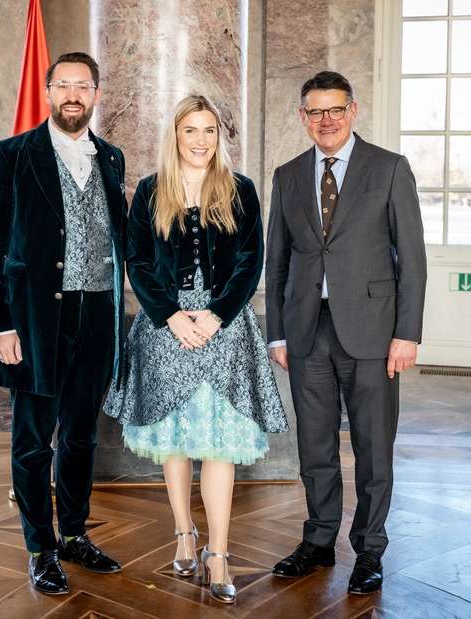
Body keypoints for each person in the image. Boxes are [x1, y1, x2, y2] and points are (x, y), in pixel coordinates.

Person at [105, 95, 287, 605]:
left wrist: (216, 313)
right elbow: (137, 261)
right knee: (174, 437)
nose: (201, 141)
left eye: (209, 131)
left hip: (223, 327)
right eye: (191, 131)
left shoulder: (239, 190)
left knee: (219, 441)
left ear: (218, 137)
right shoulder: (149, 190)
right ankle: (184, 532)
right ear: (176, 136)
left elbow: (251, 261)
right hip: (166, 327)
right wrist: (169, 316)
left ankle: (220, 551)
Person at [264, 71, 426, 595]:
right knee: (313, 444)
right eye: (315, 111)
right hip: (307, 330)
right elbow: (278, 262)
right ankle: (317, 540)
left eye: (335, 110)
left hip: (375, 333)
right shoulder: (287, 176)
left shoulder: (389, 169)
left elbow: (413, 261)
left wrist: (407, 333)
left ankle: (370, 550)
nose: (326, 120)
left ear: (353, 110)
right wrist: (278, 334)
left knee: (374, 447)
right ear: (303, 117)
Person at [0, 52, 127, 595]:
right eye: (62, 84)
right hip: (36, 320)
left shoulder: (111, 159)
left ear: (95, 93)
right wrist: (0, 323)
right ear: (47, 92)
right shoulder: (12, 155)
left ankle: (73, 534)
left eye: (82, 85)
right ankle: (40, 549)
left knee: (83, 437)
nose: (73, 94)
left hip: (97, 315)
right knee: (33, 440)